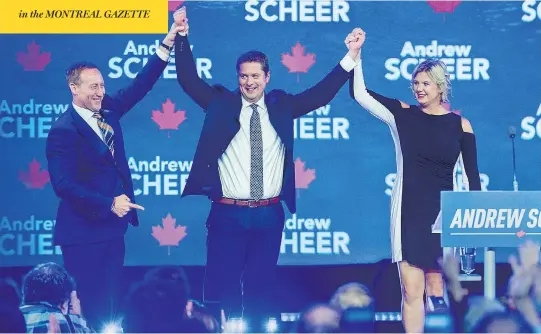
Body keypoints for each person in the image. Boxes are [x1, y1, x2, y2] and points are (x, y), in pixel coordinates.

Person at [172, 7, 362, 330]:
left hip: (269, 214)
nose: (249, 82)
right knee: (223, 291)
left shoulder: (281, 106)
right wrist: (181, 35)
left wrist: (351, 56)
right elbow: (188, 80)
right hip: (226, 214)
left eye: (255, 76)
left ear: (267, 77)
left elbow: (320, 94)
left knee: (260, 293)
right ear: (238, 78)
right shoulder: (221, 104)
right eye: (243, 76)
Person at [45, 24, 183, 330]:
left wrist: (167, 44)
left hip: (111, 231)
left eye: (102, 85)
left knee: (109, 308)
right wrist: (108, 203)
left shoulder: (106, 110)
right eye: (93, 87)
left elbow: (139, 86)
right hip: (82, 236)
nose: (100, 92)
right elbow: (63, 185)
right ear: (74, 89)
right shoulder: (63, 130)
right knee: (89, 308)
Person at [348, 28, 482, 333]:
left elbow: (473, 180)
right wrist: (355, 55)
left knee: (438, 291)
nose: (419, 89)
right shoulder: (403, 115)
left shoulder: (460, 125)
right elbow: (360, 94)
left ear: (440, 87)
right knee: (411, 290)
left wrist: (472, 224)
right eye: (415, 83)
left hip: (443, 215)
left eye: (425, 83)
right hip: (408, 213)